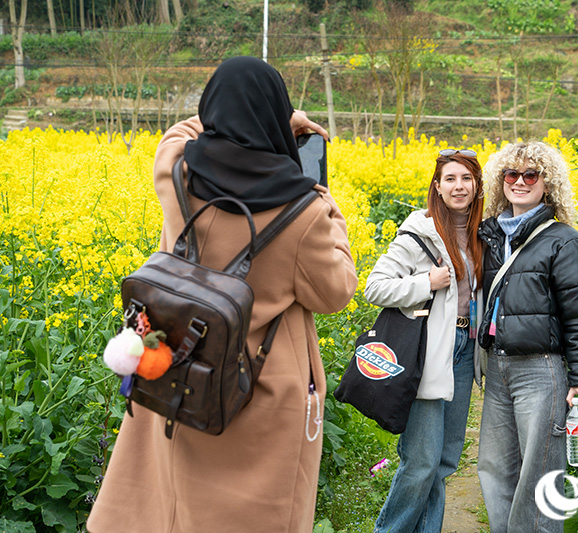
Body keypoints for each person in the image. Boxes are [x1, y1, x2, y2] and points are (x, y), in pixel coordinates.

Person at [87, 56, 358, 532]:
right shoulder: (303, 209)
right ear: (275, 113)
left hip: (178, 368)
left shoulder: (178, 173)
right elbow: (336, 292)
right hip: (254, 390)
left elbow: (179, 133)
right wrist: (328, 205)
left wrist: (236, 117)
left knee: (169, 503)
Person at [476, 141, 578, 533]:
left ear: (547, 184)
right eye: (511, 174)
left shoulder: (564, 241)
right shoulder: (493, 237)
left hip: (540, 371)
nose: (519, 181)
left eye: (531, 174)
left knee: (540, 473)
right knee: (494, 468)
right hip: (498, 368)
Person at [365, 149, 485, 533]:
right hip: (429, 351)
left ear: (477, 185)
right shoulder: (420, 232)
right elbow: (375, 287)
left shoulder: (486, 233)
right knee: (420, 462)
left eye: (466, 178)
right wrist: (425, 284)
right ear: (437, 187)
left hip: (465, 350)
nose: (458, 186)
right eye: (450, 179)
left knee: (445, 462)